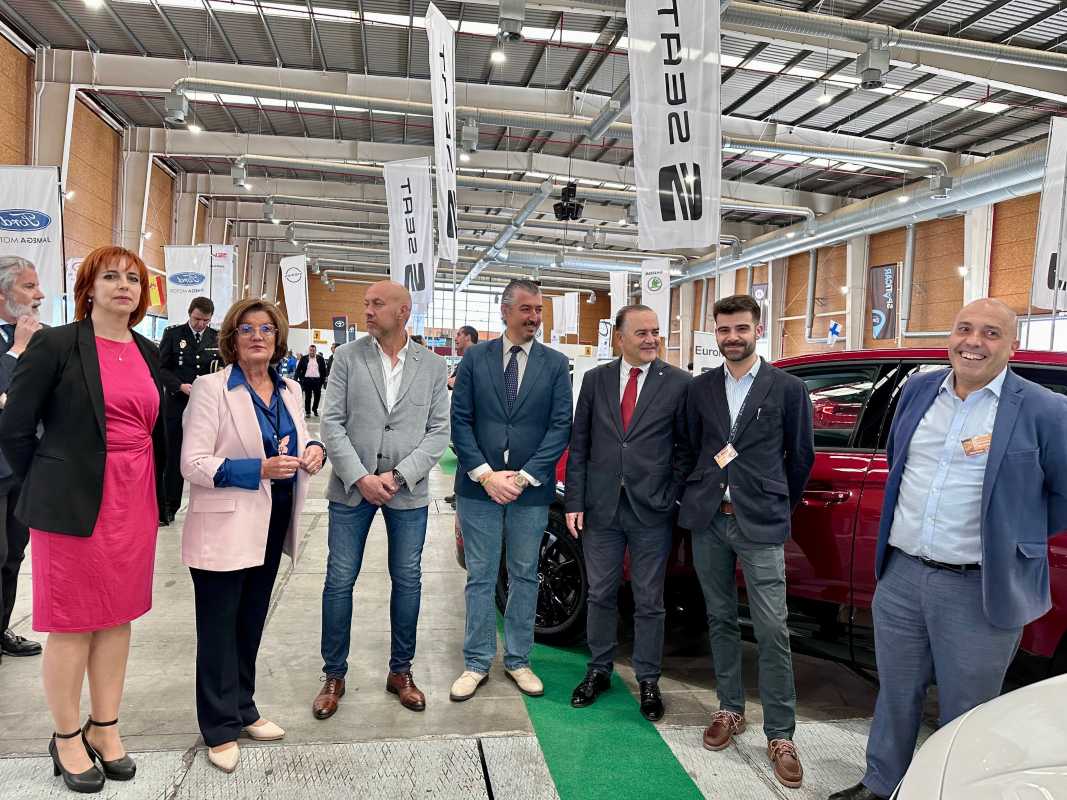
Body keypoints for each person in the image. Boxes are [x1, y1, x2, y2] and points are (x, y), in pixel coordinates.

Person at [828, 299, 1067, 800]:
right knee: (895, 692)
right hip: (903, 575)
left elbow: (1062, 495)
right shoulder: (918, 390)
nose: (973, 341)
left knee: (969, 710)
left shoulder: (1045, 409)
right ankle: (881, 783)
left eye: (990, 333)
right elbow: (900, 462)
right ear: (950, 335)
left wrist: (1015, 536)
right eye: (963, 328)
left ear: (1011, 345)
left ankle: (954, 792)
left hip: (979, 585)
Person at [0, 246, 166, 793]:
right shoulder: (56, 344)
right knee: (71, 624)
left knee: (117, 619)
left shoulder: (147, 350)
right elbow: (15, 428)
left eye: (133, 279)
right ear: (88, 289)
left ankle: (106, 725)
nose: (124, 286)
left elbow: (157, 428)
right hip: (70, 504)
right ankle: (67, 735)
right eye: (111, 277)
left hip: (132, 500)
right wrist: (45, 482)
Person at [180, 298, 324, 774]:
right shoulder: (210, 388)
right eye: (246, 329)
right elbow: (193, 462)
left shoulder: (287, 390)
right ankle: (218, 727)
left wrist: (315, 449)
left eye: (266, 329)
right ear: (232, 338)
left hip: (272, 523)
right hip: (225, 524)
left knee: (249, 623)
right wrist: (256, 469)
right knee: (219, 628)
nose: (257, 336)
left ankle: (243, 707)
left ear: (278, 338)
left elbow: (300, 437)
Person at [680, 294, 814, 790]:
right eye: (723, 330)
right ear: (714, 334)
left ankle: (781, 733)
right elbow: (690, 448)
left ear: (759, 329)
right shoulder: (701, 389)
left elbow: (800, 458)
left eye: (741, 329)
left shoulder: (788, 388)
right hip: (710, 519)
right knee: (717, 617)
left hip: (759, 522)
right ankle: (730, 708)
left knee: (772, 627)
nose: (732, 338)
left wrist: (775, 503)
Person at [313, 281, 449, 719]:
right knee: (339, 581)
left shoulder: (432, 365)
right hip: (352, 490)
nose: (367, 310)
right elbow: (330, 423)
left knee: (407, 581)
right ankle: (334, 674)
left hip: (406, 492)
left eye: (377, 304)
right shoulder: (347, 358)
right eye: (366, 303)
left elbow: (438, 433)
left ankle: (401, 672)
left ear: (403, 311)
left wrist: (398, 475)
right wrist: (361, 477)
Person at [564, 304, 691, 721]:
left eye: (655, 331)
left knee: (649, 599)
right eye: (642, 333)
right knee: (600, 593)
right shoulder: (596, 379)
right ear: (619, 338)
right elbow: (580, 444)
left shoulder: (678, 383)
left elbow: (685, 449)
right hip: (601, 508)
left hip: (652, 510)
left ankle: (648, 678)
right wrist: (576, 500)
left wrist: (670, 495)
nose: (652, 338)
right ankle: (598, 669)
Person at [449, 279, 571, 702]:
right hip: (478, 488)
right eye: (526, 309)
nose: (534, 317)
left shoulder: (555, 364)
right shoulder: (475, 359)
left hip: (530, 492)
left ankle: (519, 660)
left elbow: (560, 427)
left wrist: (522, 477)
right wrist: (485, 474)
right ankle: (476, 662)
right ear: (505, 311)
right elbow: (459, 421)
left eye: (539, 309)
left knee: (524, 575)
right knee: (480, 576)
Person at [0, 256, 45, 664]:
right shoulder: (19, 342)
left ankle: (1, 628)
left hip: (23, 468)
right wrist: (16, 351)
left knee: (14, 554)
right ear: (3, 294)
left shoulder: (38, 337)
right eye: (30, 287)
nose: (40, 295)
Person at [158, 297, 218, 523]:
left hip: (206, 407)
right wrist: (179, 386)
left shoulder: (217, 338)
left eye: (205, 320)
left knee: (208, 456)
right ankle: (168, 507)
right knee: (173, 455)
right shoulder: (173, 335)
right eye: (197, 319)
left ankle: (210, 507)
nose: (201, 324)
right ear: (189, 314)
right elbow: (161, 368)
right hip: (177, 403)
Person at [295, 344, 327, 417]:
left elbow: (323, 371)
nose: (312, 352)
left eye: (313, 350)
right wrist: (297, 379)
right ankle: (308, 412)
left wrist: (322, 381)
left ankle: (315, 409)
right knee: (307, 397)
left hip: (317, 381)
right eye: (311, 350)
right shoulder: (303, 358)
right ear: (309, 351)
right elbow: (298, 370)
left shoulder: (320, 359)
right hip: (307, 381)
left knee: (317, 397)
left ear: (316, 351)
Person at [448, 325, 478, 391]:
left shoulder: (479, 359)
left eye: (459, 335)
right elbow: (449, 384)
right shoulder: (463, 361)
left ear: (468, 337)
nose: (455, 339)